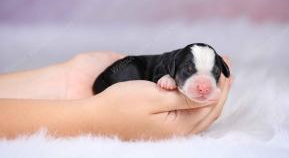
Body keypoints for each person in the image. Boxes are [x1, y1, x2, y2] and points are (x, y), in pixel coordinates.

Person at [0, 51, 232, 140]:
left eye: (213, 73)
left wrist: (67, 79)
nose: (203, 86)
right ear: (173, 67)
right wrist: (93, 116)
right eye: (189, 72)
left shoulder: (173, 62)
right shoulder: (166, 65)